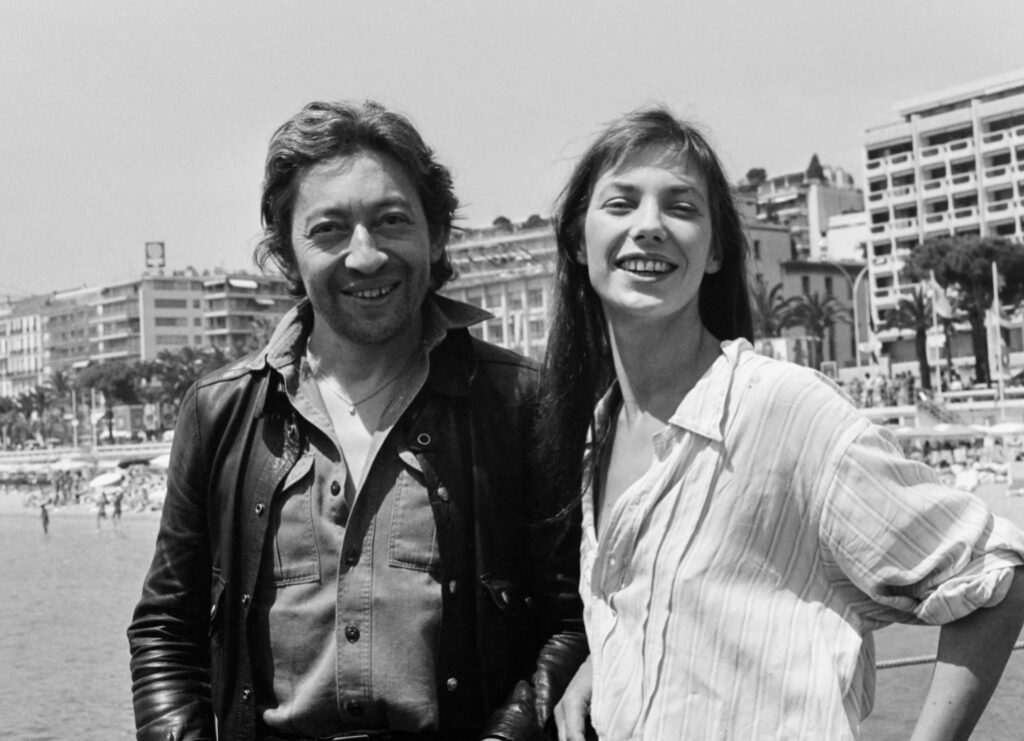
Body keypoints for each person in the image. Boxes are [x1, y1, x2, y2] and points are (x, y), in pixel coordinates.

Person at [540, 106, 1024, 741]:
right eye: (621, 203)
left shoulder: (782, 410)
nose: (649, 226)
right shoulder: (595, 435)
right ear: (578, 241)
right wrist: (606, 662)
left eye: (681, 207)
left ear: (715, 252)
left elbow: (994, 574)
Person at [128, 100, 585, 741]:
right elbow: (166, 630)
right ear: (286, 253)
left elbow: (572, 624)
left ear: (436, 235)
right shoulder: (222, 411)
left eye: (392, 221)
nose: (366, 256)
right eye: (330, 230)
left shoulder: (518, 402)